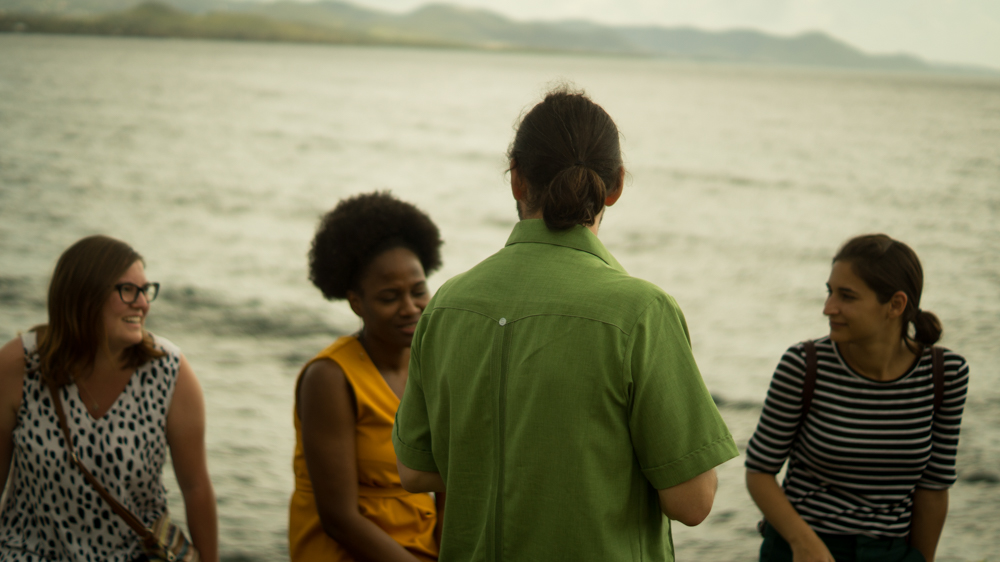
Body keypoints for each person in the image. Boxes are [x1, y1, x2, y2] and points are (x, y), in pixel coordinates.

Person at [392, 87, 739, 561]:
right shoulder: (639, 312)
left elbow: (414, 471)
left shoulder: (448, 303)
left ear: (516, 179)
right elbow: (692, 502)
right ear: (615, 186)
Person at [745, 234, 970, 562]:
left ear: (895, 305)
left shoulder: (945, 374)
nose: (828, 308)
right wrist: (804, 543)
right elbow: (759, 470)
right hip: (802, 549)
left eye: (846, 296)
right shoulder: (804, 365)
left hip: (890, 552)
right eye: (829, 291)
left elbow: (934, 489)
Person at [0, 235, 218, 562]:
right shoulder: (21, 365)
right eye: (128, 290)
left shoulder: (170, 373)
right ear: (84, 296)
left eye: (146, 291)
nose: (143, 303)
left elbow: (196, 488)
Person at [288, 192, 445, 562]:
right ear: (356, 302)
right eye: (390, 297)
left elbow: (446, 491)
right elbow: (339, 518)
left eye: (418, 291)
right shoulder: (330, 378)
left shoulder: (433, 369)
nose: (410, 307)